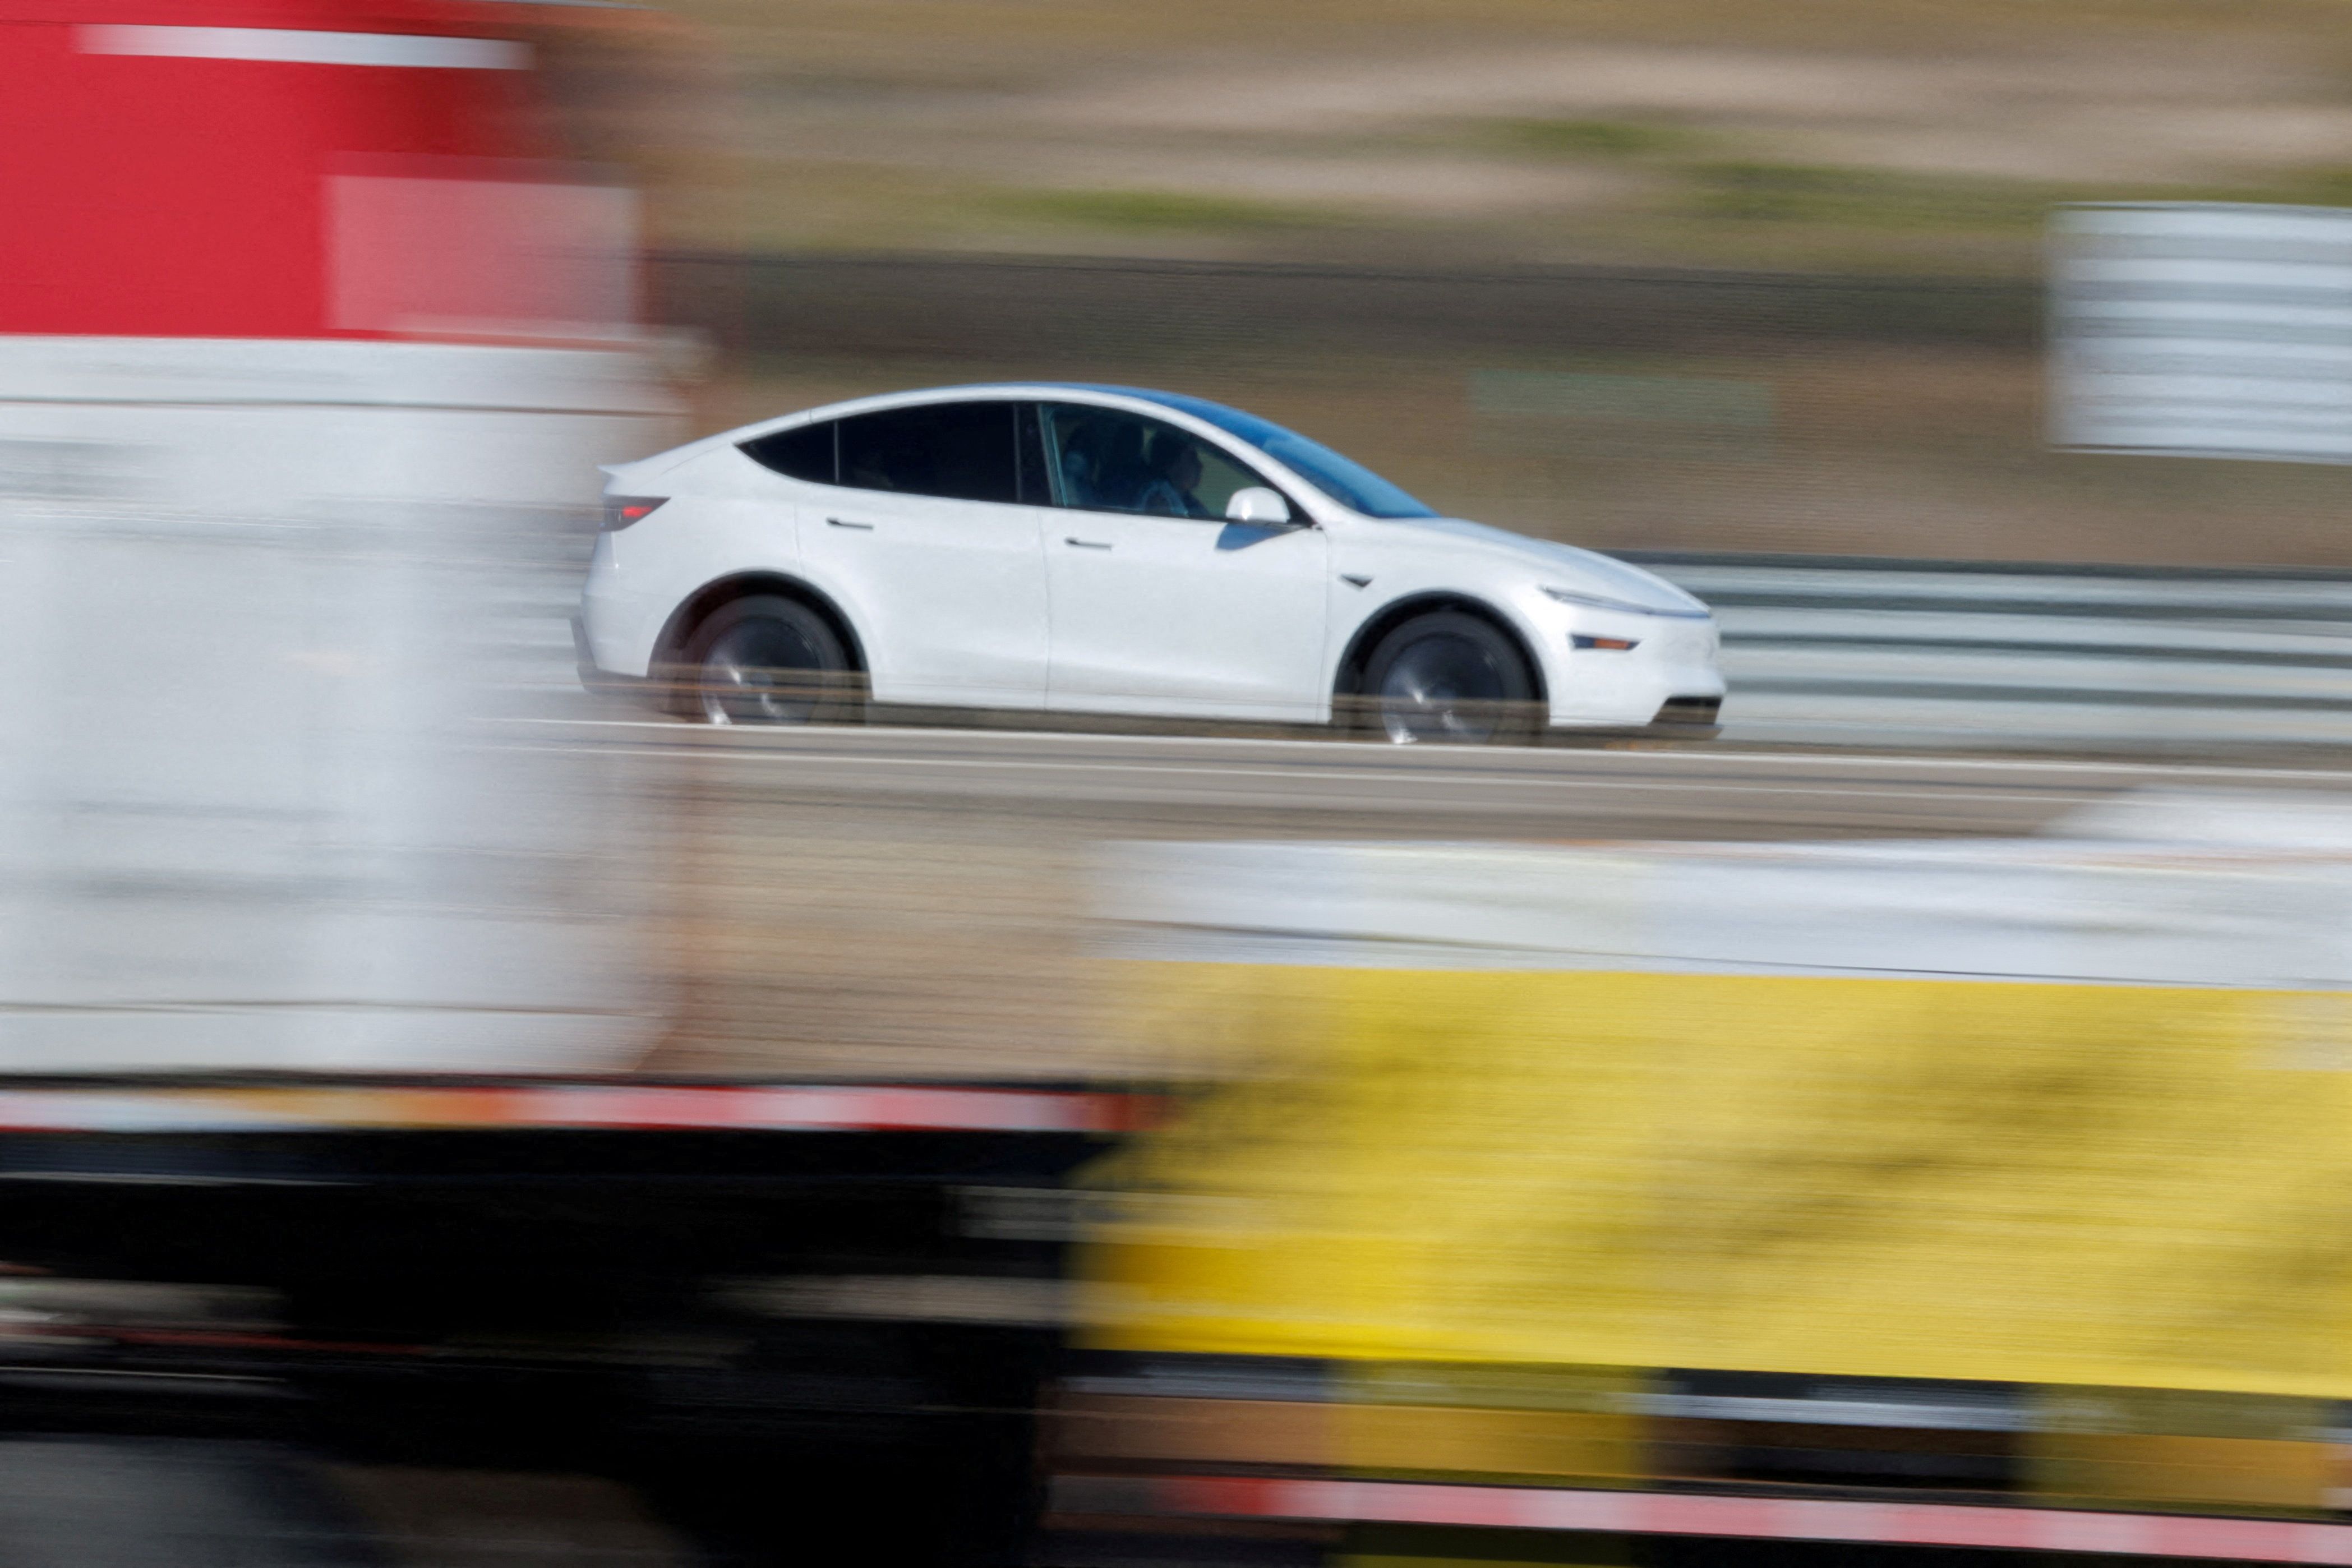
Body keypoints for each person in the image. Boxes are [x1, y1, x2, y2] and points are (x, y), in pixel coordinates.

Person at [1133, 431, 1208, 517]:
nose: (1200, 466)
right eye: (1192, 458)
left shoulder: (1187, 499)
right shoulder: (1159, 501)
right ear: (1172, 465)